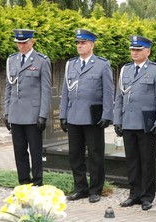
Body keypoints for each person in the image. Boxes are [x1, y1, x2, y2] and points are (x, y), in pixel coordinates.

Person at [113, 35, 156, 211]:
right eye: (132, 50)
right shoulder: (125, 70)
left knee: (147, 161)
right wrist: (117, 120)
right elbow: (119, 97)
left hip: (147, 123)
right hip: (128, 122)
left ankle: (147, 196)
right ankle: (134, 194)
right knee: (132, 161)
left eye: (138, 49)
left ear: (148, 51)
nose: (134, 52)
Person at [59, 29, 114, 203]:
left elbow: (108, 92)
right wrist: (63, 115)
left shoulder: (102, 65)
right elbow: (66, 91)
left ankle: (95, 189)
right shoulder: (71, 64)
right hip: (74, 116)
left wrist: (107, 114)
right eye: (77, 43)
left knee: (96, 154)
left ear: (92, 44)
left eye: (83, 43)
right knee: (75, 155)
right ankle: (80, 188)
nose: (79, 45)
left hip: (93, 117)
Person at [4, 29, 52, 187]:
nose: (21, 46)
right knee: (19, 151)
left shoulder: (42, 61)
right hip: (16, 113)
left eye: (24, 42)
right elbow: (9, 88)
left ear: (32, 41)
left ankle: (38, 183)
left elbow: (46, 90)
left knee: (36, 152)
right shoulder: (12, 60)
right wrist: (6, 112)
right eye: (18, 43)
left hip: (33, 114)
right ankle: (24, 183)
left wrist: (43, 115)